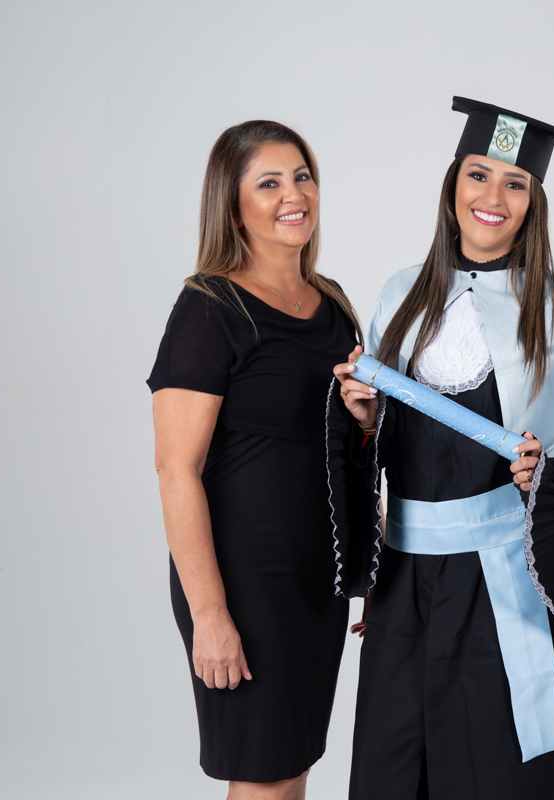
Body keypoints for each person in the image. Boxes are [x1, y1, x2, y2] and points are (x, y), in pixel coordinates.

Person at [327, 97, 554, 800]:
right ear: (452, 183)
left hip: (508, 582)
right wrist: (365, 417)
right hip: (404, 585)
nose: (493, 198)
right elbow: (385, 445)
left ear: (536, 202)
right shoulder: (399, 296)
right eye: (478, 174)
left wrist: (549, 472)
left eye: (516, 183)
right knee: (398, 770)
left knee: (503, 773)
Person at [148, 120, 363, 800]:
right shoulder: (209, 306)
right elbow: (176, 469)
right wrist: (210, 615)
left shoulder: (333, 306)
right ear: (233, 205)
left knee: (292, 767)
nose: (293, 194)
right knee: (265, 775)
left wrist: (367, 562)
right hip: (243, 585)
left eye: (302, 176)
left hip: (315, 583)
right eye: (268, 183)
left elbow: (341, 453)